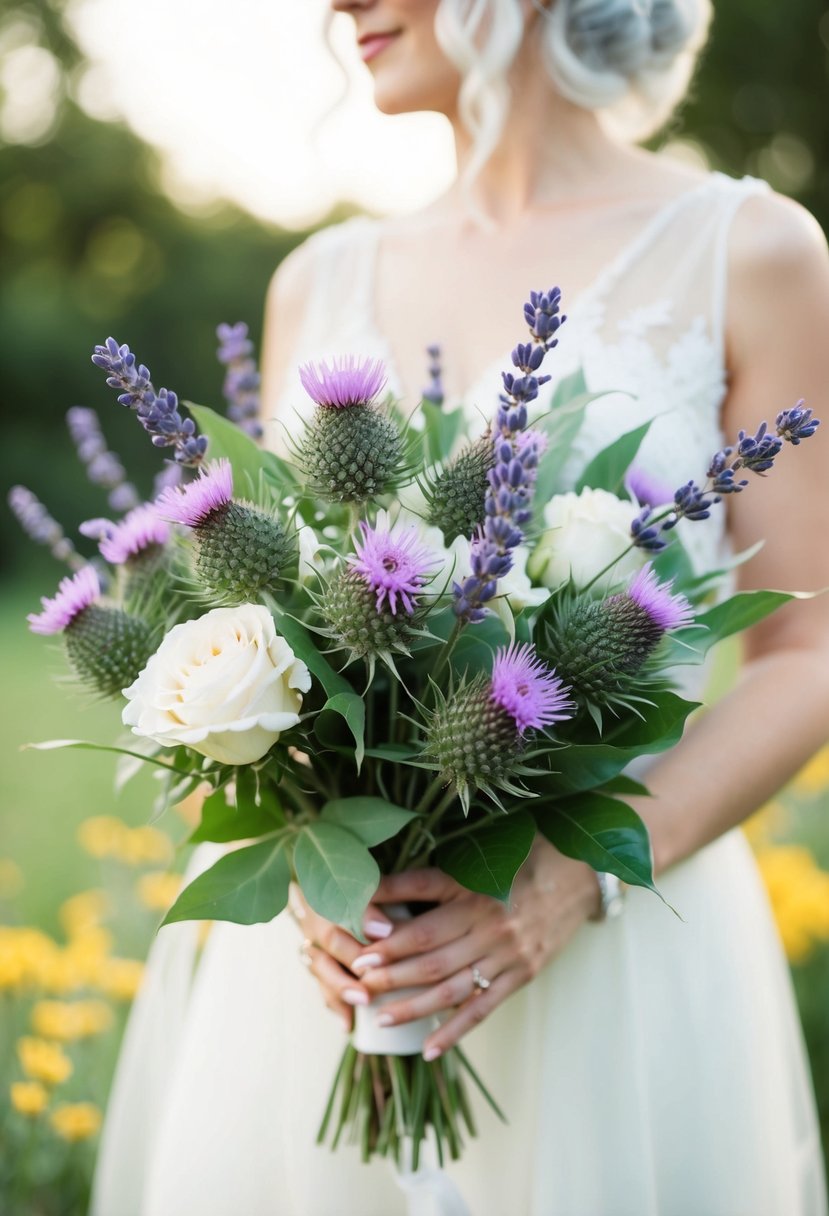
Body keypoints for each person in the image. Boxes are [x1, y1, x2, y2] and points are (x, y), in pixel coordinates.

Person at [91, 2, 829, 1213]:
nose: (336, 5)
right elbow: (267, 625)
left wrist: (557, 887)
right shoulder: (315, 277)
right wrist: (298, 869)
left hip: (616, 949)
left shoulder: (746, 249)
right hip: (333, 978)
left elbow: (804, 644)